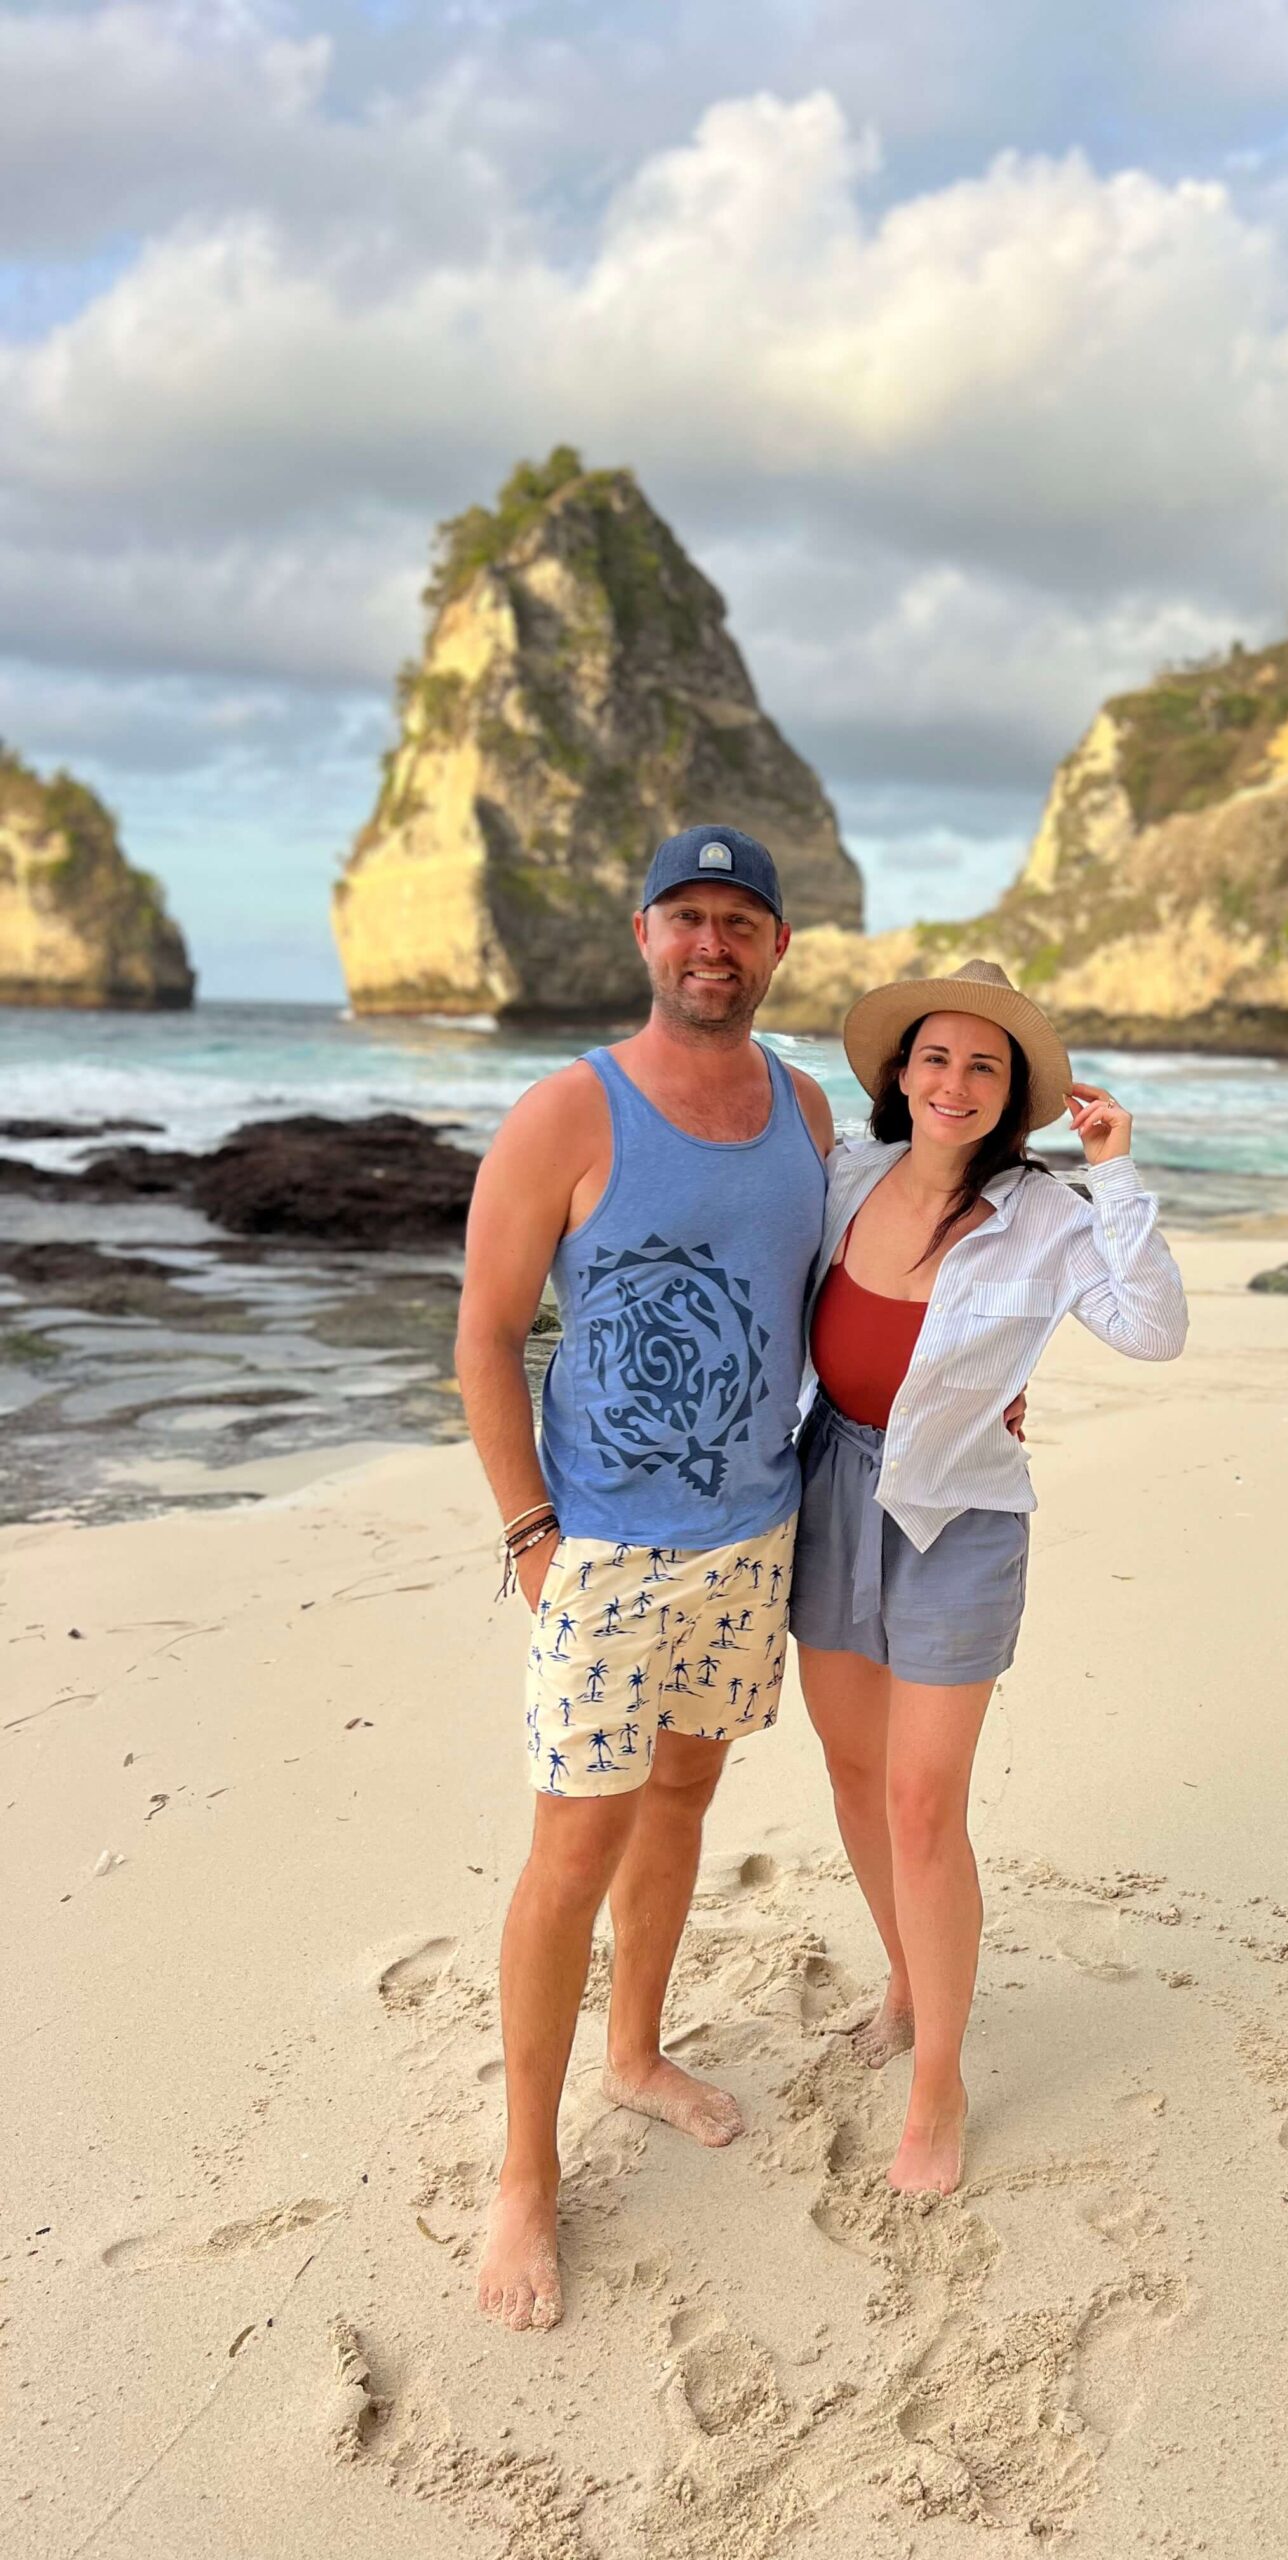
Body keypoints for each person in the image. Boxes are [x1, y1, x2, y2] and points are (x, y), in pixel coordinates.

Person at [455, 823, 837, 2333]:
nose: (714, 945)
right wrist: (530, 1534)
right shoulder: (567, 1112)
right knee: (570, 1849)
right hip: (602, 1557)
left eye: (741, 922)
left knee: (684, 1796)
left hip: (753, 1537)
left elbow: (871, 1279)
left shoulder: (806, 1108)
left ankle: (637, 2051)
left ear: (777, 950)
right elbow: (487, 1334)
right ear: (642, 934)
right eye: (688, 916)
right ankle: (526, 2175)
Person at [789, 957, 1188, 2196]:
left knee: (921, 1800)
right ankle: (908, 1978)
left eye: (983, 1063)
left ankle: (940, 2077)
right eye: (935, 1057)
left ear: (1011, 1089)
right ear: (900, 1074)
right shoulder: (848, 1176)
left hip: (959, 1518)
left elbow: (1153, 1327)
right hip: (827, 1486)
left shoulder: (1048, 1214)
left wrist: (1115, 1169)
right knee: (854, 1775)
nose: (954, 1081)